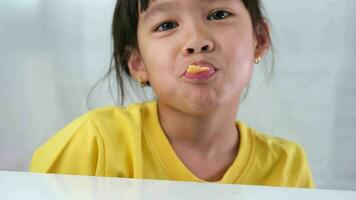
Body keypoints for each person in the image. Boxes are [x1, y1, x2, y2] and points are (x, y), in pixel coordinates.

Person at [30, 0, 315, 188]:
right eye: (166, 25)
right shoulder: (93, 145)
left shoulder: (288, 168)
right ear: (138, 63)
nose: (197, 42)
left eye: (218, 14)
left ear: (260, 39)